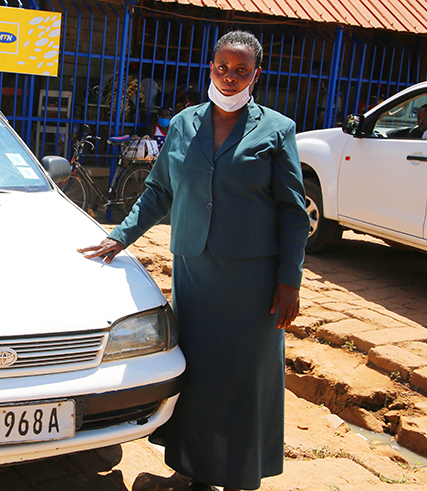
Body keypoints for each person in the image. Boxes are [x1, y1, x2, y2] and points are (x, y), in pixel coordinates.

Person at [78, 31, 309, 491]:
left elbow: (292, 211)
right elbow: (159, 191)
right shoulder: (184, 123)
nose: (230, 77)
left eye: (241, 70)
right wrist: (120, 236)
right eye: (223, 67)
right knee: (197, 373)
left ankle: (241, 477)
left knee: (243, 377)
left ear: (256, 75)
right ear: (211, 68)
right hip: (194, 273)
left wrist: (289, 280)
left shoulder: (276, 129)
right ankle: (193, 473)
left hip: (252, 280)